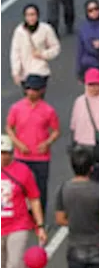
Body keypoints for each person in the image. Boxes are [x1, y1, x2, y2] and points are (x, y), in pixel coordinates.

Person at [0, 133, 48, 268]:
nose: (3, 157)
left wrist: (40, 225)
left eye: (5, 153)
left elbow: (34, 198)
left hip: (18, 225)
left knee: (14, 267)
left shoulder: (23, 171)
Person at [7, 75, 59, 211]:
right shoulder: (16, 108)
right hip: (21, 156)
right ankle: (21, 215)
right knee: (19, 188)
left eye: (35, 90)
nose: (31, 92)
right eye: (29, 89)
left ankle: (39, 218)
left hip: (41, 157)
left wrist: (47, 143)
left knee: (41, 189)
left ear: (41, 91)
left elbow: (55, 131)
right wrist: (18, 144)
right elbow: (9, 128)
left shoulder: (48, 110)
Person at [10, 5, 61, 88]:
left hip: (40, 70)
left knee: (36, 97)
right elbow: (15, 52)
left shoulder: (46, 29)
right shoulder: (19, 31)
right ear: (25, 17)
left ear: (37, 15)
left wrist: (43, 54)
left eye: (33, 14)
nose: (31, 18)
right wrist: (15, 72)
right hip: (25, 73)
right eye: (28, 15)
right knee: (29, 99)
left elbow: (56, 47)